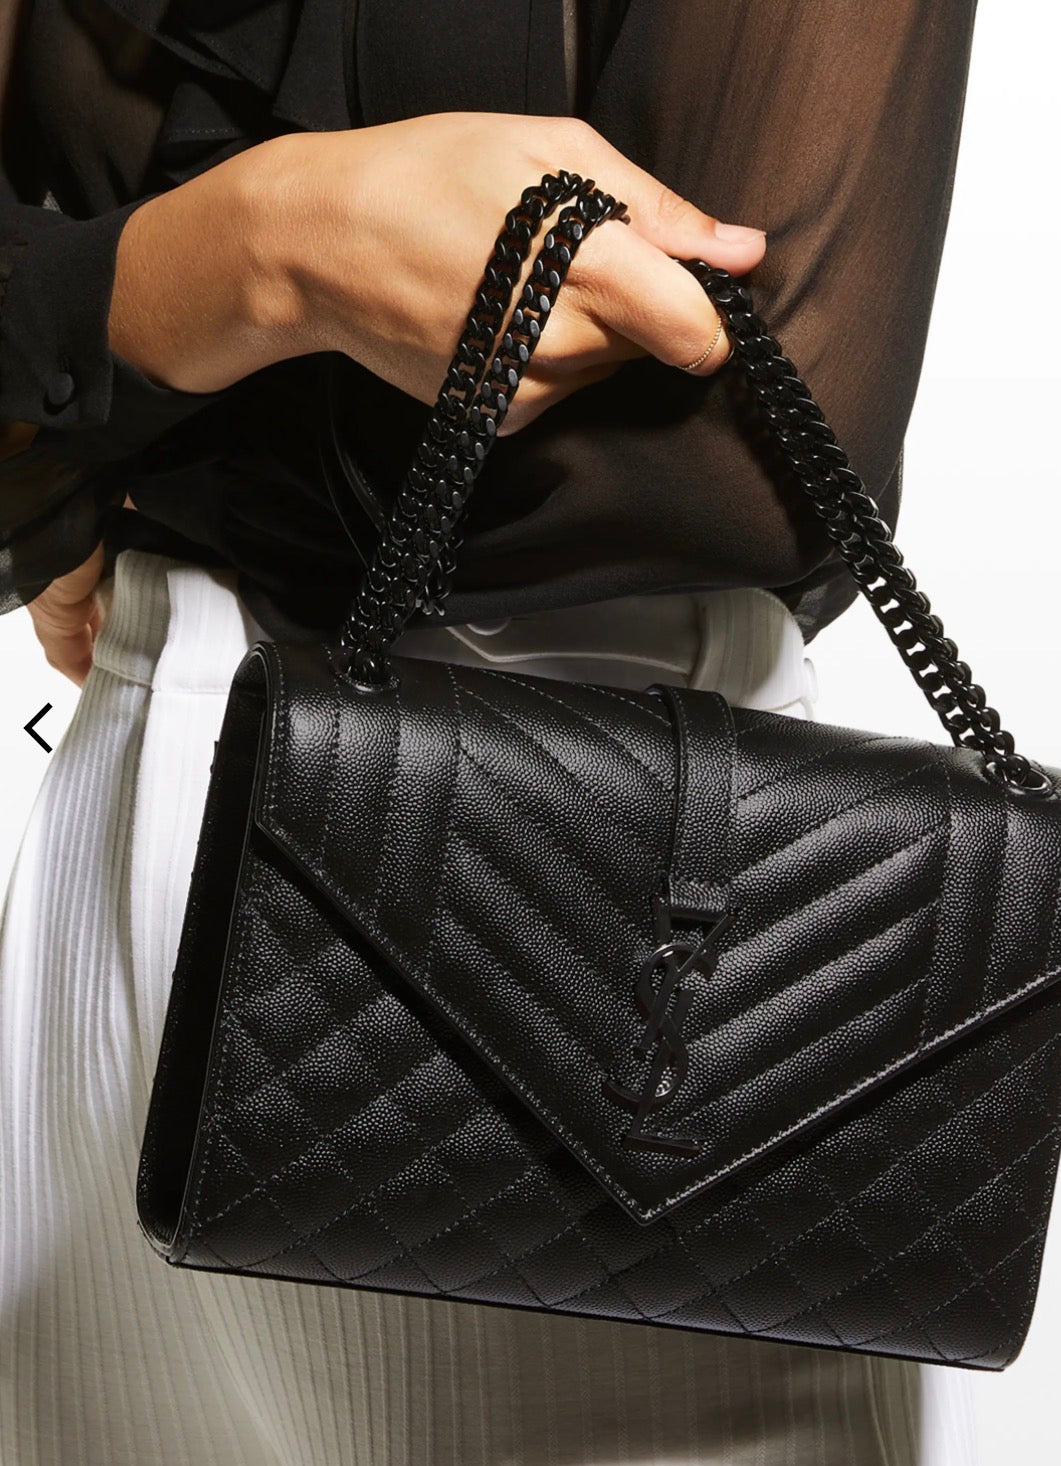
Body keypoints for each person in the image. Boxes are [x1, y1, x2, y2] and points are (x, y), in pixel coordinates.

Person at [0, 2, 982, 1461]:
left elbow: (740, 456)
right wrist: (272, 241)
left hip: (614, 899)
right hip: (137, 839)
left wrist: (114, 371)